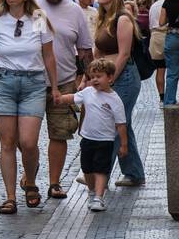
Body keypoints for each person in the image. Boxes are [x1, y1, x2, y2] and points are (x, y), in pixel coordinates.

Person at [0, 0, 59, 213]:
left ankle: (30, 181)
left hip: (33, 83)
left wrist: (54, 86)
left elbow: (49, 55)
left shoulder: (38, 18)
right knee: (8, 143)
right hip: (3, 82)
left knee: (29, 142)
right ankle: (10, 196)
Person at [36, 0, 94, 200]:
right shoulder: (33, 5)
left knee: (59, 134)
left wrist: (88, 77)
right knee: (25, 136)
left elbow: (84, 49)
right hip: (32, 79)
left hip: (66, 80)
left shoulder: (75, 12)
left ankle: (54, 182)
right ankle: (31, 171)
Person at [54, 57, 129, 212]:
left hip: (105, 140)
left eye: (99, 76)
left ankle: (99, 197)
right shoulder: (88, 92)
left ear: (109, 78)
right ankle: (92, 191)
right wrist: (61, 99)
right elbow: (73, 98)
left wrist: (123, 144)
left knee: (101, 169)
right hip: (88, 139)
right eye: (92, 77)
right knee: (87, 168)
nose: (94, 80)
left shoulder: (115, 100)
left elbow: (121, 124)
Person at [92, 0, 146, 187]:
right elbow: (99, 51)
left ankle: (100, 173)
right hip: (108, 75)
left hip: (124, 77)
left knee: (114, 124)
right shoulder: (103, 17)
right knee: (124, 125)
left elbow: (123, 54)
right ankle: (134, 173)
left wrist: (111, 78)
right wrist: (92, 77)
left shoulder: (123, 18)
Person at [147, 0, 169, 97]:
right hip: (165, 35)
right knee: (169, 68)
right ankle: (169, 94)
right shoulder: (167, 4)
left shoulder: (153, 6)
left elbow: (150, 25)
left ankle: (161, 95)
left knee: (160, 69)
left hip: (155, 37)